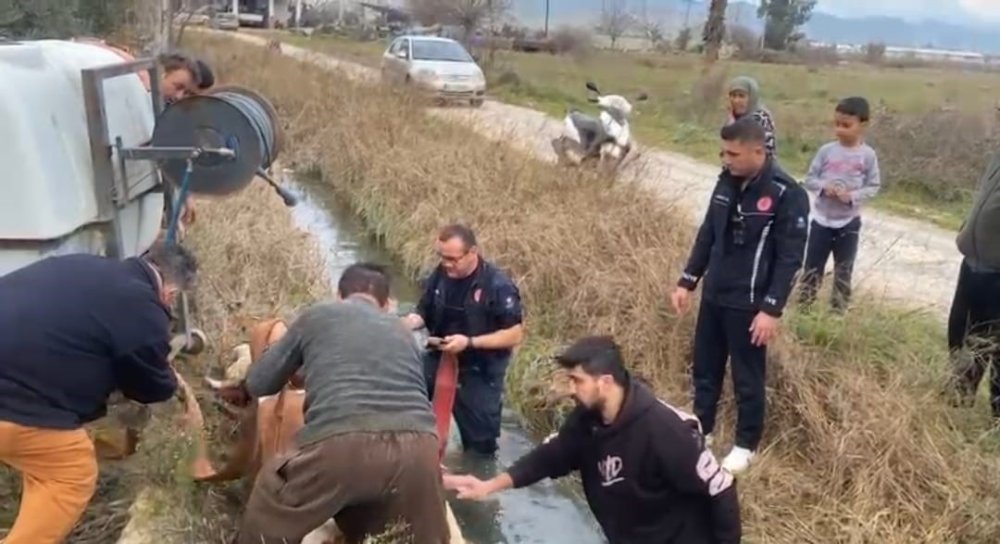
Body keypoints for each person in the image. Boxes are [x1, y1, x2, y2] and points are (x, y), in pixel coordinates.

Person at [221, 263, 451, 544]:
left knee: (272, 503)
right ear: (385, 303)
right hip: (419, 450)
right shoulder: (404, 332)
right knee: (409, 537)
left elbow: (261, 383)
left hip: (343, 444)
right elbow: (415, 393)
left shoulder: (318, 316)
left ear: (339, 295)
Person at [444, 336, 742, 544]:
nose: (571, 389)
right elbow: (550, 457)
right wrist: (489, 485)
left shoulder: (665, 430)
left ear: (605, 382)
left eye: (577, 380)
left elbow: (721, 488)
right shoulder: (586, 421)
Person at [0, 241, 196, 544]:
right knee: (71, 472)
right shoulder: (144, 309)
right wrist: (173, 382)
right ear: (171, 293)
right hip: (10, 401)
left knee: (45, 453)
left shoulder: (86, 265)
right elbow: (150, 388)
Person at [670, 117, 810, 474]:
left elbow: (790, 259)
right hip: (715, 294)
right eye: (723, 152)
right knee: (706, 369)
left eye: (733, 153)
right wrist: (687, 281)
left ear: (758, 151)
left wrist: (771, 309)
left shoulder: (785, 193)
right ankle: (703, 429)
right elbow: (708, 234)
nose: (726, 159)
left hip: (750, 305)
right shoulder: (724, 183)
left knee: (747, 377)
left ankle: (746, 445)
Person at [402, 224, 525, 457]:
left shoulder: (498, 285)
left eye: (452, 259)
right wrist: (407, 323)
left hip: (480, 368)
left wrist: (469, 342)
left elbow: (514, 334)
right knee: (404, 401)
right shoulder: (439, 274)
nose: (446, 264)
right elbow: (423, 312)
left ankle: (477, 479)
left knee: (481, 445)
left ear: (472, 252)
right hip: (438, 357)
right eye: (442, 256)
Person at [799, 96, 881, 311]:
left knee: (844, 270)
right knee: (812, 268)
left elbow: (873, 186)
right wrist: (824, 188)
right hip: (821, 221)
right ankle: (804, 309)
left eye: (846, 125)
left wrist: (852, 196)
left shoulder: (868, 156)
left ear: (863, 125)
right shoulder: (826, 151)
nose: (840, 130)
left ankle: (837, 313)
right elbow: (810, 178)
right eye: (837, 124)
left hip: (848, 223)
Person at [949, 154, 1000, 417]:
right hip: (972, 265)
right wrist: (966, 228)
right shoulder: (996, 157)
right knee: (961, 334)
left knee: (995, 347)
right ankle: (959, 401)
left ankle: (997, 418)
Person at [725, 75, 777, 157]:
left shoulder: (760, 117)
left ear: (752, 97)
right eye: (733, 96)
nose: (736, 100)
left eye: (741, 96)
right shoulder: (734, 117)